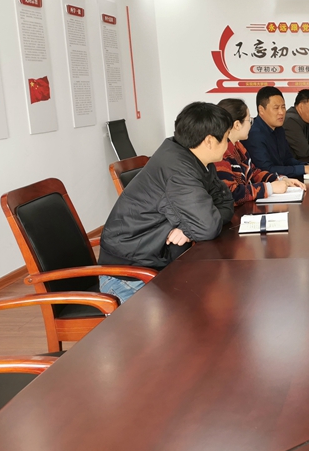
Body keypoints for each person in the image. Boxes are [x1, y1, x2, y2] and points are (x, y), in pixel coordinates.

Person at [98, 102, 236, 302]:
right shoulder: (178, 170)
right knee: (201, 308)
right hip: (129, 276)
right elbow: (207, 227)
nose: (228, 144)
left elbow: (226, 202)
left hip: (156, 262)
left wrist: (189, 228)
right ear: (209, 141)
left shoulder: (194, 159)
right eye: (226, 138)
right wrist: (195, 226)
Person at [216, 98, 306, 205]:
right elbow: (232, 194)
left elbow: (254, 173)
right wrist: (269, 188)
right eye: (249, 120)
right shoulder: (220, 154)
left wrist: (280, 179)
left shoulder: (238, 147)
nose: (251, 125)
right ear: (237, 125)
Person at [243, 86, 309, 177]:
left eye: (283, 107)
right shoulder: (253, 134)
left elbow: (287, 159)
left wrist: (308, 166)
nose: (281, 112)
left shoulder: (279, 129)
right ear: (261, 110)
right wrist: (303, 169)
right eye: (276, 108)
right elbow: (266, 170)